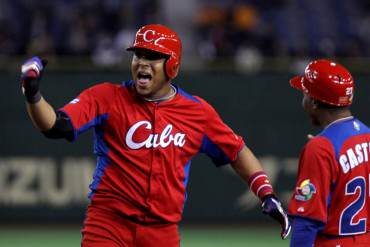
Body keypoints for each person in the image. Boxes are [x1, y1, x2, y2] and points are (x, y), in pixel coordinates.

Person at [21, 24, 290, 247]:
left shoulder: (197, 113)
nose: (141, 63)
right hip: (108, 223)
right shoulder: (107, 97)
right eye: (138, 55)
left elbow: (236, 151)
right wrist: (32, 93)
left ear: (172, 65)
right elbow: (56, 126)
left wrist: (266, 193)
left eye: (152, 56)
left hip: (162, 231)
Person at [288, 59, 370, 247]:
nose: (304, 100)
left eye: (305, 94)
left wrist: (319, 151)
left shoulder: (321, 149)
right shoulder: (367, 136)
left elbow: (306, 223)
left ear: (314, 102)